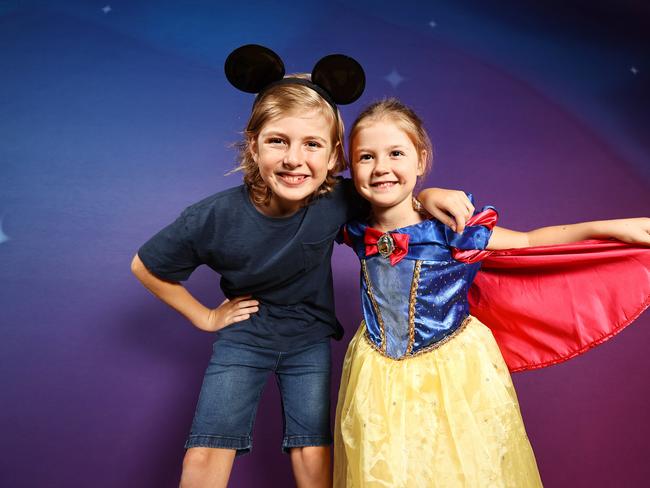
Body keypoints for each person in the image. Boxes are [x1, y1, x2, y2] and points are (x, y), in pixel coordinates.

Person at [130, 46, 472, 488]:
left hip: (308, 338)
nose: (294, 159)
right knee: (210, 445)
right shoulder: (213, 216)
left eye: (312, 144)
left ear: (333, 157)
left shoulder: (335, 200)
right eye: (278, 141)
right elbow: (146, 265)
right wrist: (205, 316)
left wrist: (432, 194)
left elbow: (389, 192)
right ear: (253, 146)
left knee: (312, 448)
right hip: (245, 338)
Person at [333, 98, 650, 487]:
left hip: (452, 372)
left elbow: (529, 240)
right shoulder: (351, 226)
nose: (381, 167)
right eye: (366, 156)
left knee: (463, 468)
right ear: (350, 165)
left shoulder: (453, 227)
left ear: (420, 159)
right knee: (386, 469)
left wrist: (610, 229)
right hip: (377, 372)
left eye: (396, 153)